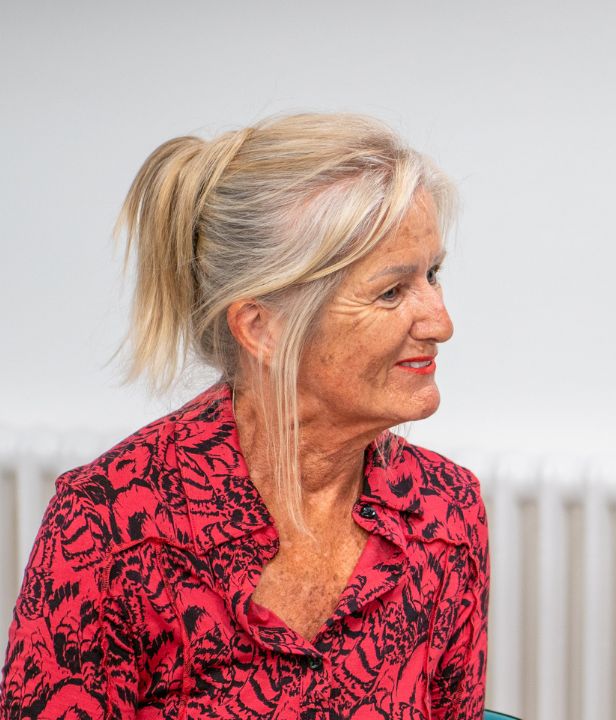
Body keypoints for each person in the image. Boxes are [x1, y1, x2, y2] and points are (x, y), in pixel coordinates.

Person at [1, 114, 488, 718]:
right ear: (263, 328)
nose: (441, 322)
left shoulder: (446, 514)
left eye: (433, 274)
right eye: (391, 292)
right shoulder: (112, 529)